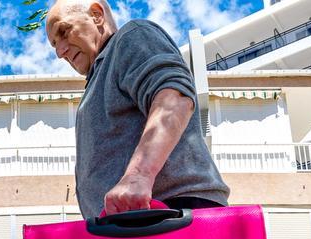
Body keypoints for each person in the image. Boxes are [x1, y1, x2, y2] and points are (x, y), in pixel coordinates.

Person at [45, 0, 230, 217]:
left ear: (96, 14)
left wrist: (138, 176)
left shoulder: (131, 36)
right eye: (54, 44)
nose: (59, 52)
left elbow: (175, 97)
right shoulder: (97, 80)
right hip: (130, 222)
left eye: (64, 32)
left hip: (170, 214)